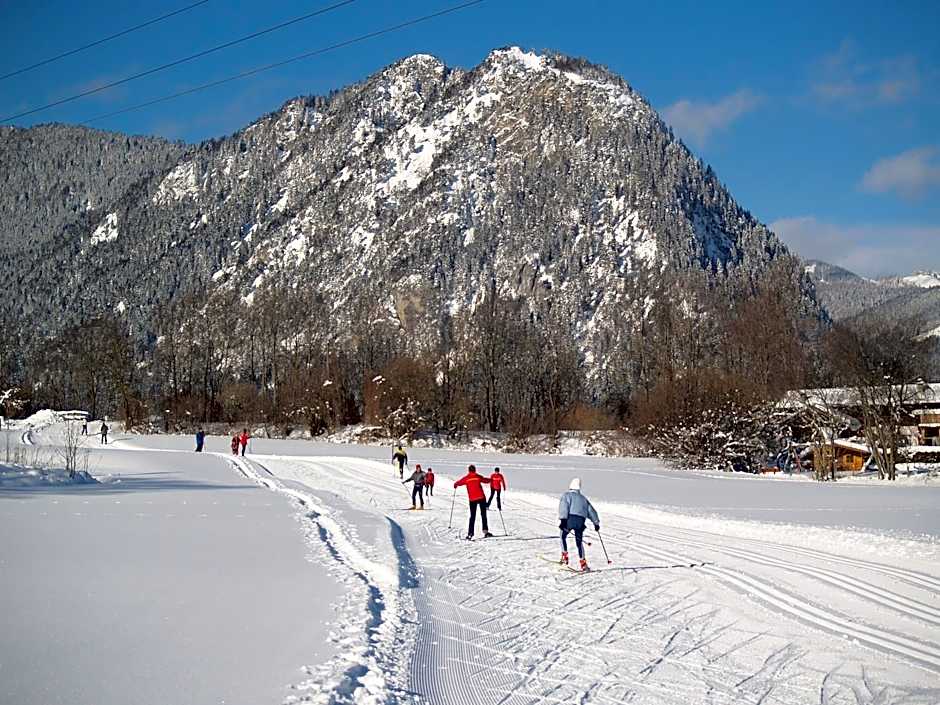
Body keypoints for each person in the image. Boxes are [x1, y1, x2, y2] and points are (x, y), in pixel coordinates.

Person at [558, 477, 600, 571]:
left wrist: (563, 520)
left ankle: (565, 557)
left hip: (570, 519)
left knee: (562, 536)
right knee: (579, 542)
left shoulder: (567, 495)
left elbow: (564, 506)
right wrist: (596, 523)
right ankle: (583, 563)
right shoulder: (583, 499)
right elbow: (592, 511)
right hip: (581, 521)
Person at [454, 464, 492, 539]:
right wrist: (491, 480)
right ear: (475, 470)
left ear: (469, 470)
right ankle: (485, 531)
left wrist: (455, 484)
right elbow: (485, 480)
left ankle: (470, 534)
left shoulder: (466, 478)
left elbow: (459, 482)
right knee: (483, 515)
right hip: (481, 497)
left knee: (472, 516)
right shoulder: (478, 476)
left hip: (472, 499)